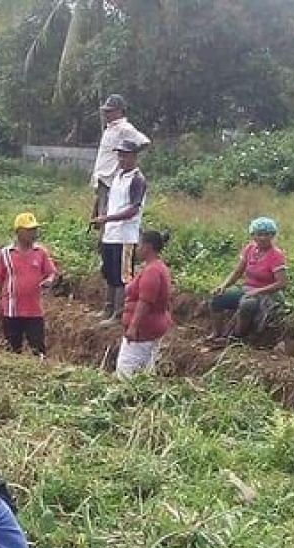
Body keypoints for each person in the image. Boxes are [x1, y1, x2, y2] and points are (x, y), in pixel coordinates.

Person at [91, 139, 148, 325]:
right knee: (109, 271)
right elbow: (110, 202)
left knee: (123, 276)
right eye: (119, 155)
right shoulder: (118, 176)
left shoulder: (137, 180)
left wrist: (106, 219)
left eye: (125, 155)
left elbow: (133, 210)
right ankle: (108, 308)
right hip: (111, 234)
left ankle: (119, 313)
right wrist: (101, 217)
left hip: (125, 236)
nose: (121, 159)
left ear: (134, 156)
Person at [0, 213, 59, 356]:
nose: (33, 234)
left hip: (34, 310)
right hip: (12, 310)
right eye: (29, 231)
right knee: (13, 349)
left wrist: (49, 280)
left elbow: (52, 273)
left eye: (34, 230)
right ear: (19, 232)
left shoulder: (41, 252)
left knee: (38, 349)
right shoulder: (6, 254)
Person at [208, 217, 288, 343]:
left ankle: (237, 336)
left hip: (268, 293)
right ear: (253, 235)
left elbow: (282, 283)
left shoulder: (276, 255)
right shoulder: (250, 249)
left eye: (267, 234)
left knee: (247, 304)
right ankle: (216, 333)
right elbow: (237, 272)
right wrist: (223, 285)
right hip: (248, 288)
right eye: (259, 234)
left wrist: (258, 291)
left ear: (273, 236)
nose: (263, 238)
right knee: (217, 298)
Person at [117, 230, 174, 378]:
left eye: (140, 245)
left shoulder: (152, 271)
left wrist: (133, 327)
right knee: (145, 373)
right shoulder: (157, 267)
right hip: (152, 327)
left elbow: (145, 302)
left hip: (143, 332)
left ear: (147, 247)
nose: (137, 248)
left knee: (127, 372)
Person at [91, 95, 150, 227]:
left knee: (107, 218)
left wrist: (126, 157)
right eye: (106, 111)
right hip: (103, 178)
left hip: (111, 178)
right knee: (100, 217)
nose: (106, 114)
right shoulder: (110, 128)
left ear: (119, 111)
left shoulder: (125, 128)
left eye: (110, 111)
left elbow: (144, 141)